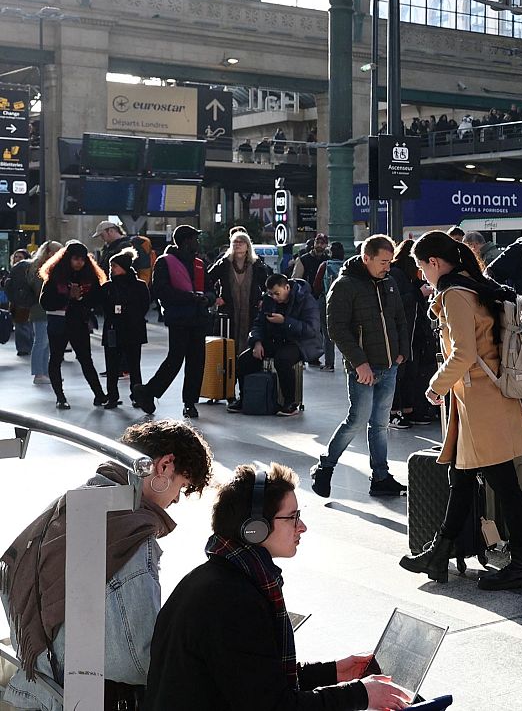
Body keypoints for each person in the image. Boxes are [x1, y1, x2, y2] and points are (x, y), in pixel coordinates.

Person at [145, 463, 413, 709]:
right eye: (293, 517)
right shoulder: (233, 600)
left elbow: (253, 676)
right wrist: (361, 695)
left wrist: (333, 672)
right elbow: (275, 706)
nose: (302, 527)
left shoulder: (215, 579)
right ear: (255, 529)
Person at [2, 420, 214, 710]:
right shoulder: (130, 538)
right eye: (182, 487)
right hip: (77, 698)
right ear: (164, 467)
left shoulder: (71, 504)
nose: (177, 499)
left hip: (34, 687)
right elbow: (140, 659)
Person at [400, 231, 522, 589]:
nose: (421, 275)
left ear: (433, 263)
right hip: (483, 399)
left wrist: (435, 386)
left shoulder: (454, 295)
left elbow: (462, 352)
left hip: (480, 402)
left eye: (420, 267)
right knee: (460, 480)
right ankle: (439, 554)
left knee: (504, 485)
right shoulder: (473, 285)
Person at [313, 235, 410, 498]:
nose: (387, 267)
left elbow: (400, 318)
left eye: (390, 261)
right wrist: (359, 363)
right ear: (366, 258)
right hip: (363, 369)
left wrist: (402, 352)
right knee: (357, 420)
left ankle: (380, 477)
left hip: (389, 365)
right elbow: (336, 329)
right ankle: (325, 467)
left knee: (380, 424)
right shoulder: (344, 286)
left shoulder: (388, 283)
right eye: (382, 261)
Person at [133, 226, 212, 419]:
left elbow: (211, 289)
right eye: (195, 239)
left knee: (197, 361)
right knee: (176, 358)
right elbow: (160, 291)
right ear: (185, 241)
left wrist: (207, 299)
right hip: (179, 318)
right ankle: (149, 392)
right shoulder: (165, 262)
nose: (197, 243)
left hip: (198, 317)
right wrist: (189, 297)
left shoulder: (200, 264)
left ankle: (189, 403)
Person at [38, 241, 109, 410]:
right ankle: (60, 397)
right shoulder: (55, 277)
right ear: (68, 258)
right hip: (59, 322)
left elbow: (98, 298)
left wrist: (82, 299)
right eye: (76, 259)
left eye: (82, 259)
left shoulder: (89, 276)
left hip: (78, 323)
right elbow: (45, 302)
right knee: (56, 359)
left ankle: (99, 395)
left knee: (86, 360)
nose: (79, 263)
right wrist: (68, 297)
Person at [237, 274, 319, 417]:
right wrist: (257, 342)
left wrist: (285, 321)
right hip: (275, 340)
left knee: (283, 359)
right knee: (244, 359)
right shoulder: (269, 300)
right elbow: (258, 324)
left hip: (298, 342)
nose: (274, 297)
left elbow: (311, 329)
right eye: (271, 294)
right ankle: (245, 397)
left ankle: (290, 402)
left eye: (277, 293)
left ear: (287, 287)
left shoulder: (305, 300)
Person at [207, 231, 272, 402]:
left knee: (246, 353)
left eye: (241, 242)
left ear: (248, 245)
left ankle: (246, 391)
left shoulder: (257, 265)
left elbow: (269, 285)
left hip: (250, 316)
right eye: (235, 242)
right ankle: (227, 391)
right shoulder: (223, 263)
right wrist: (215, 298)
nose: (238, 245)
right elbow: (207, 278)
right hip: (229, 316)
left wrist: (263, 300)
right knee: (227, 352)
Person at [389, 239, 439, 428]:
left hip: (413, 333)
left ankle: (409, 410)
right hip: (404, 333)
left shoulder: (405, 277)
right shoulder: (397, 275)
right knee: (400, 373)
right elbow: (397, 304)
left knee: (411, 372)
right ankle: (395, 413)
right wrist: (419, 293)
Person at [101, 248, 151, 411]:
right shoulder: (108, 286)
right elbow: (102, 306)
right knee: (112, 365)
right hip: (115, 329)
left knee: (133, 365)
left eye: (114, 266)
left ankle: (136, 395)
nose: (111, 269)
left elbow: (144, 305)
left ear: (123, 267)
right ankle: (112, 396)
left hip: (131, 329)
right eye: (111, 266)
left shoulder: (139, 285)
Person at [23, 242, 61, 385]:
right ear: (50, 253)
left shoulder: (39, 267)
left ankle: (44, 372)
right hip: (40, 310)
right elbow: (40, 290)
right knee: (41, 342)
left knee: (46, 343)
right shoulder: (39, 269)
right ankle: (38, 373)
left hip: (44, 309)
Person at [314, 242, 347, 370]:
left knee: (327, 332)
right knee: (345, 331)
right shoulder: (346, 266)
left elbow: (316, 285)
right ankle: (347, 361)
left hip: (326, 300)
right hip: (344, 302)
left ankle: (329, 363)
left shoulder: (325, 265)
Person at [9, 247, 36, 357]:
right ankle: (26, 347)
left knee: (23, 325)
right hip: (18, 301)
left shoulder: (24, 270)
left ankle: (24, 348)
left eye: (20, 257)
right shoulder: (14, 270)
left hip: (23, 300)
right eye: (16, 256)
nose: (17, 259)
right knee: (24, 324)